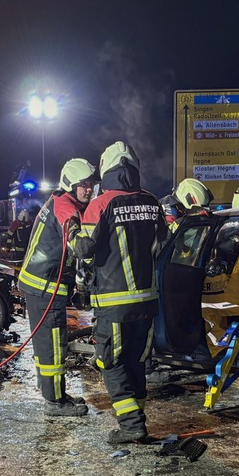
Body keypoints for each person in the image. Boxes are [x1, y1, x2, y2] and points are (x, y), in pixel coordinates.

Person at [72, 141, 167, 444]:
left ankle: (131, 425)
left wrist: (71, 233)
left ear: (106, 169)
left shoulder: (100, 204)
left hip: (114, 303)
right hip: (148, 302)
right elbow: (165, 245)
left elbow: (85, 250)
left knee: (111, 362)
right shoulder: (152, 202)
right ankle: (137, 419)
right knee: (137, 360)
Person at [17, 158, 98, 417]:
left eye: (91, 185)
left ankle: (54, 393)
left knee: (45, 344)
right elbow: (73, 233)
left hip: (40, 285)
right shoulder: (65, 206)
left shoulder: (59, 200)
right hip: (45, 287)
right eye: (83, 185)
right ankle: (54, 403)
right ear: (70, 184)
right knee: (52, 344)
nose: (88, 189)